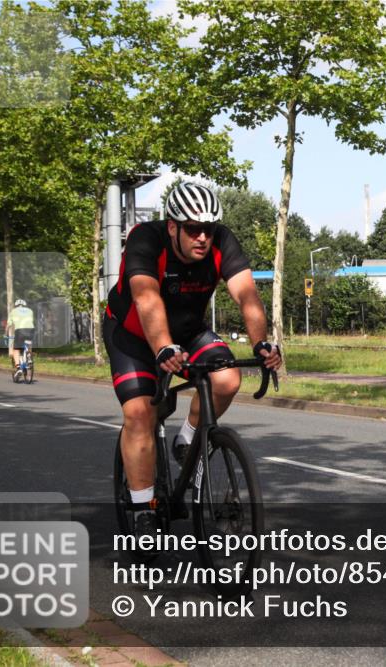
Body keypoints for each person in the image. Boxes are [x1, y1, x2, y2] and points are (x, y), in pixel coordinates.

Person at [103, 181, 282, 541]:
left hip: (187, 330)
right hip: (133, 336)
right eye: (193, 229)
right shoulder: (145, 239)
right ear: (173, 227)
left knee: (227, 379)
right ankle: (143, 510)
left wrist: (261, 342)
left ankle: (185, 440)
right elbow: (146, 298)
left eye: (208, 229)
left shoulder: (222, 242)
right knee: (140, 413)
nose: (203, 237)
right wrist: (163, 347)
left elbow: (246, 294)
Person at [7, 299, 35, 375]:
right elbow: (31, 321)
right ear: (25, 305)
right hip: (31, 330)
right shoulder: (30, 311)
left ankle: (18, 368)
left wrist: (6, 333)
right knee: (28, 343)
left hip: (20, 330)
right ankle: (29, 356)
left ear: (16, 306)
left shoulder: (13, 311)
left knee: (16, 349)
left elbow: (9, 324)